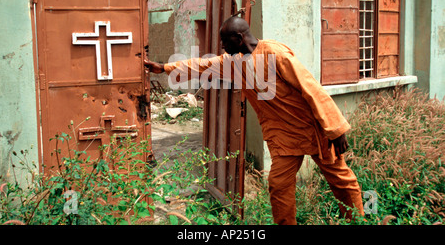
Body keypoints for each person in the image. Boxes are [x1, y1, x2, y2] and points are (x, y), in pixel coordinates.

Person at [145, 16, 364, 225]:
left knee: (343, 182)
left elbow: (312, 89)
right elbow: (202, 65)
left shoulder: (276, 54)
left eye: (224, 40)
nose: (221, 45)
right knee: (279, 186)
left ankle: (360, 219)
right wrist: (164, 68)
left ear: (239, 39)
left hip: (315, 130)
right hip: (284, 138)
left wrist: (336, 129)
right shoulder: (234, 62)